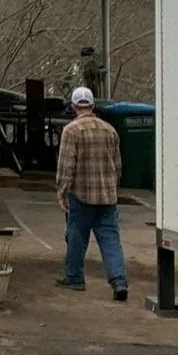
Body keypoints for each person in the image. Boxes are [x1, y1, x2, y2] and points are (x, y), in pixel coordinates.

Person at [55, 86, 127, 301]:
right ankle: (119, 281)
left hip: (82, 195)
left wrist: (62, 191)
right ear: (93, 106)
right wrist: (114, 188)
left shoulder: (71, 131)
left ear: (74, 106)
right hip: (107, 197)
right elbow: (118, 165)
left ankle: (74, 278)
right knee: (111, 239)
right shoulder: (110, 130)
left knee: (77, 237)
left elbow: (67, 165)